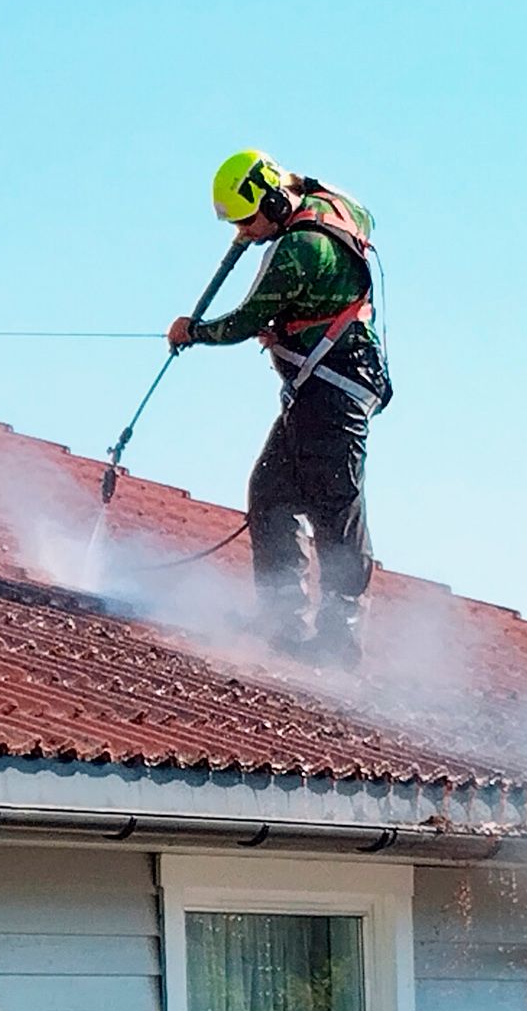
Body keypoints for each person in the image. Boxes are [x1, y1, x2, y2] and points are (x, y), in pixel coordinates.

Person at [167, 149, 391, 666]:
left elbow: (245, 321)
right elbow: (364, 214)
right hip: (321, 387)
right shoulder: (333, 206)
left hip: (336, 387)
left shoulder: (299, 249)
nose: (244, 231)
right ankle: (282, 615)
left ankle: (340, 638)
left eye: (249, 219)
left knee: (334, 502)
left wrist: (193, 332)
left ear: (271, 199)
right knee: (270, 492)